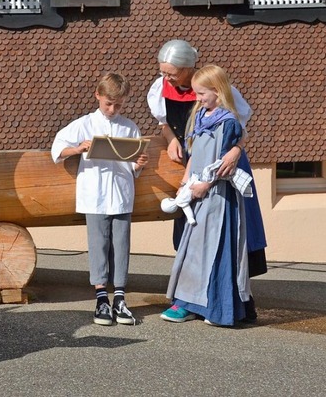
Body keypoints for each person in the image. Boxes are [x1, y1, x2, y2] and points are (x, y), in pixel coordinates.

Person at [147, 39, 267, 321]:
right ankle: (192, 296)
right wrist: (172, 140)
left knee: (230, 235)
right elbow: (164, 124)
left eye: (172, 73)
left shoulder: (220, 93)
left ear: (189, 69)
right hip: (193, 162)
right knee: (191, 232)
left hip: (223, 166)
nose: (166, 78)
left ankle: (233, 298)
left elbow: (240, 129)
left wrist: (235, 152)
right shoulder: (161, 89)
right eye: (163, 71)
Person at [51, 72, 149, 326]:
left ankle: (120, 298)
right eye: (108, 103)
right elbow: (58, 148)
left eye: (118, 104)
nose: (113, 109)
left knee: (121, 245)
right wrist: (78, 149)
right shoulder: (84, 123)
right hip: (94, 195)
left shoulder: (129, 126)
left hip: (121, 193)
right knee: (99, 245)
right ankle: (101, 299)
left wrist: (138, 164)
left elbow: (134, 164)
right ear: (98, 95)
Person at [160, 65, 253, 326]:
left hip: (218, 197)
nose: (198, 98)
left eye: (202, 93)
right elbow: (193, 153)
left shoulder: (228, 123)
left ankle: (217, 308)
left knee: (215, 249)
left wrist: (205, 184)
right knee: (193, 249)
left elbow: (223, 164)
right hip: (198, 192)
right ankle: (189, 302)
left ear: (217, 91)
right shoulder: (201, 116)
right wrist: (186, 180)